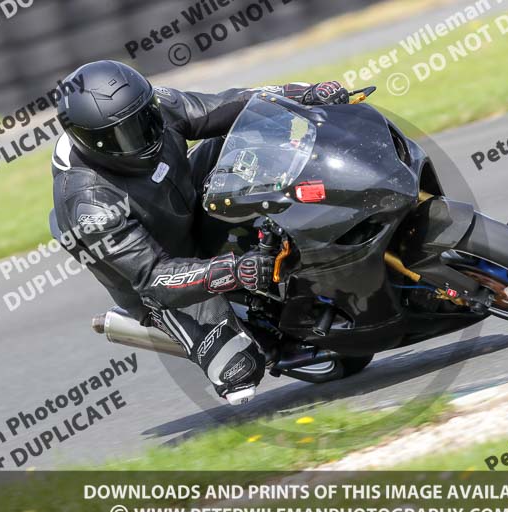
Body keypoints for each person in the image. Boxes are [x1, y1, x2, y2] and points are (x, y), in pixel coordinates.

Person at [50, 60, 349, 405]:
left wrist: (301, 94)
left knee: (257, 131)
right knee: (241, 370)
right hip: (162, 278)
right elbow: (153, 276)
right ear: (93, 143)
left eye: (146, 119)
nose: (147, 135)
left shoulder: (151, 107)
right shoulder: (88, 202)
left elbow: (227, 105)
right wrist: (232, 271)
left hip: (183, 197)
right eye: (126, 134)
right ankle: (264, 339)